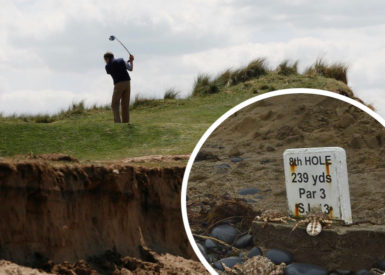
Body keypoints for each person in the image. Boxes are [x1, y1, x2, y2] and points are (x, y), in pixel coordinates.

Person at [104, 52, 134, 123]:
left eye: (105, 60)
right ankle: (126, 123)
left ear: (107, 59)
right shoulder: (121, 60)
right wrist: (131, 61)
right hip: (127, 82)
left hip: (119, 84)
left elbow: (112, 68)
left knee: (114, 104)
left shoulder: (107, 66)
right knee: (125, 104)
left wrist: (128, 61)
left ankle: (118, 123)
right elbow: (130, 68)